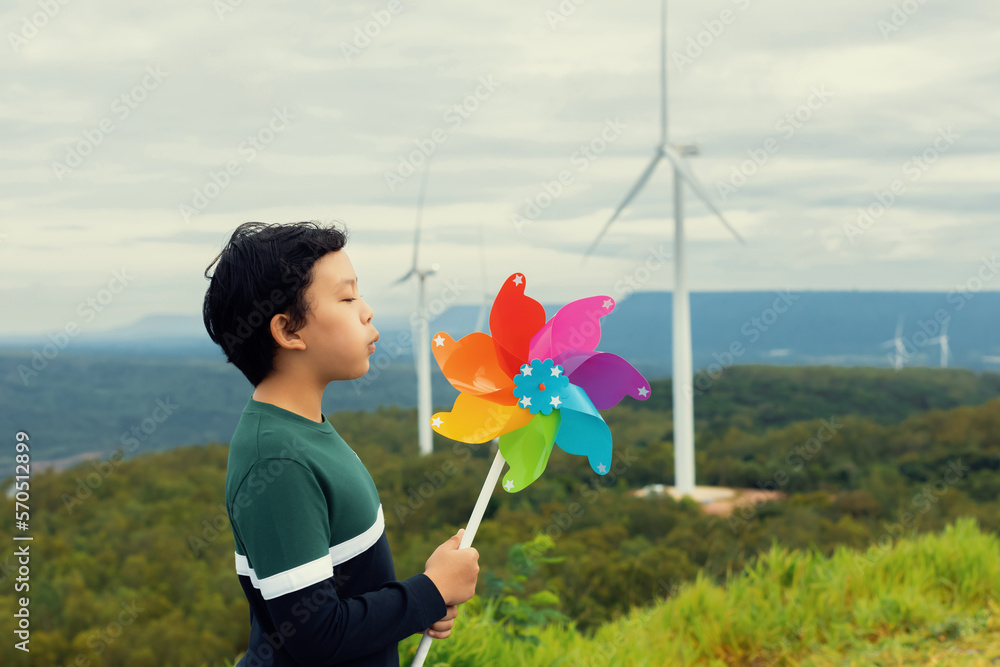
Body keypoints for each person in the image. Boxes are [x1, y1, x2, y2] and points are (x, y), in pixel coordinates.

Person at [202, 221, 480, 666]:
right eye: (347, 297)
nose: (367, 311)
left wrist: (420, 602)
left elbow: (341, 596)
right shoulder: (277, 460)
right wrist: (429, 592)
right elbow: (315, 635)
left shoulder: (301, 430)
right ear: (289, 331)